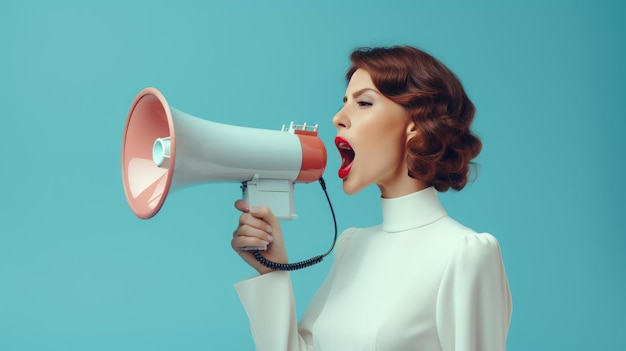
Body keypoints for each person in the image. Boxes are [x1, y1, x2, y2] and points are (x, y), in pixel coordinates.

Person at [231, 45, 512, 350]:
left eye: (363, 103)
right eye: (344, 103)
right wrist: (272, 272)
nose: (338, 118)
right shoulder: (352, 246)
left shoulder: (465, 253)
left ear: (414, 126)